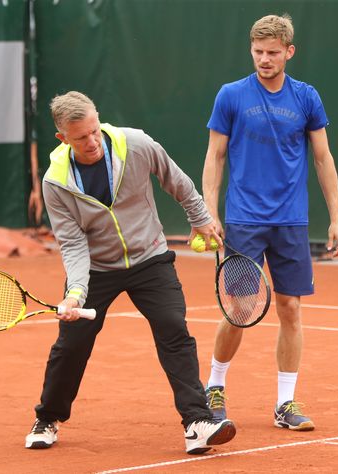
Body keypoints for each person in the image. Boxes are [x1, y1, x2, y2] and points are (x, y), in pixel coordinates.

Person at [25, 91, 235, 455]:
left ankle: (198, 422)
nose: (92, 142)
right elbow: (72, 244)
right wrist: (75, 292)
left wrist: (201, 220)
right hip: (96, 268)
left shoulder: (135, 145)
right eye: (80, 138)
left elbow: (178, 181)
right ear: (63, 138)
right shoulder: (55, 182)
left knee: (174, 329)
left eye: (94, 131)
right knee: (71, 346)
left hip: (150, 258)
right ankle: (48, 417)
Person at [201, 14, 338, 431]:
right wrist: (208, 212)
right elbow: (215, 156)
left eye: (272, 53)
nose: (264, 60)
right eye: (258, 52)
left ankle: (285, 403)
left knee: (291, 308)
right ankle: (214, 387)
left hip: (291, 222)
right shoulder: (230, 95)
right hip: (244, 220)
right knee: (240, 310)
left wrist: (336, 218)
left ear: (289, 52)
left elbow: (323, 158)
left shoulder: (306, 97)